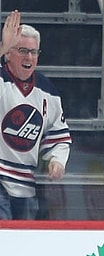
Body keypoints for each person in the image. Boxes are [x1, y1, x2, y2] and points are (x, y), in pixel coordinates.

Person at [0, 11, 71, 220]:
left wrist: (57, 160)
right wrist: (2, 45)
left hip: (26, 187)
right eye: (22, 50)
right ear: (8, 54)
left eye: (33, 52)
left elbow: (59, 135)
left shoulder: (47, 91)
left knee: (24, 246)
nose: (29, 57)